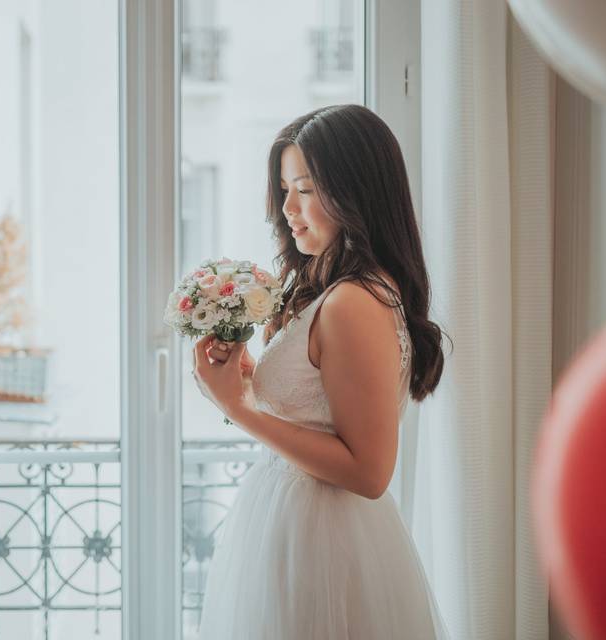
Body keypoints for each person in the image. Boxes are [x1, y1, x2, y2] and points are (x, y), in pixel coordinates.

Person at [191, 104, 452, 639]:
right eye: (285, 189)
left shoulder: (353, 301)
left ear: (355, 191)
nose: (287, 208)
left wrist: (236, 408)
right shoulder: (337, 290)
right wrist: (247, 382)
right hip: (296, 521)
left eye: (305, 189)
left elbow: (369, 472)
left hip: (322, 537)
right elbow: (317, 412)